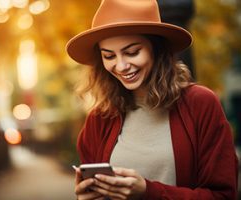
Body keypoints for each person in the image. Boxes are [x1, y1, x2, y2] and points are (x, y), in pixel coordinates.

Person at [66, 0, 238, 199]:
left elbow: (223, 195)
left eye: (132, 52)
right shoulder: (100, 118)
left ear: (156, 48)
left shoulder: (200, 103)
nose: (121, 66)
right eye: (109, 56)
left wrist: (149, 192)